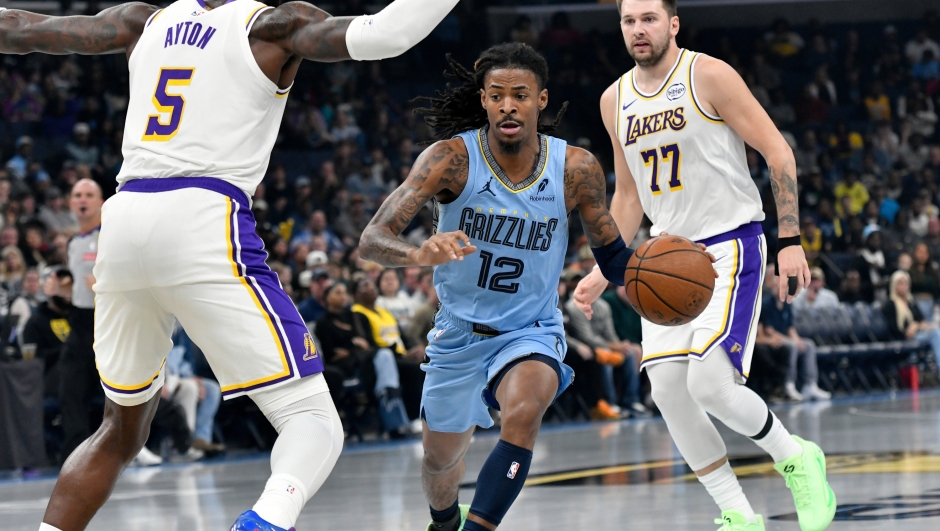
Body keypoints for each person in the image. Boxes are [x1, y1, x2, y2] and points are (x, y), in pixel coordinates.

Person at [0, 0, 461, 528]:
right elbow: (388, 34)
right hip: (202, 213)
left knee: (119, 430)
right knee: (313, 421)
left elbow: (21, 27)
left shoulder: (141, 21)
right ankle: (264, 521)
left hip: (123, 220)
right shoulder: (273, 25)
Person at [573, 2, 835, 530]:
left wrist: (789, 239)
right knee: (669, 391)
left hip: (730, 244)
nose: (638, 29)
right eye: (629, 21)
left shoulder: (708, 74)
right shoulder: (613, 99)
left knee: (710, 385)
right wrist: (608, 263)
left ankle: (797, 457)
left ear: (672, 24)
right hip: (663, 258)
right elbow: (628, 196)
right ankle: (738, 515)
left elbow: (778, 153)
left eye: (649, 18)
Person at [360, 42, 636, 531]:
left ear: (541, 100)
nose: (509, 105)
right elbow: (373, 239)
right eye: (498, 95)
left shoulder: (575, 168)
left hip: (532, 328)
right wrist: (418, 254)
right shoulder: (449, 160)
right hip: (459, 333)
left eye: (521, 95)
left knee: (525, 412)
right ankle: (444, 522)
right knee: (440, 465)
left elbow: (614, 256)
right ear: (484, 101)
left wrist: (662, 276)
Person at [58, 179, 103, 466]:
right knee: (70, 392)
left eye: (88, 195)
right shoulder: (74, 242)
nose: (82, 200)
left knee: (122, 392)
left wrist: (105, 284)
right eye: (77, 195)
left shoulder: (110, 237)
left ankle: (173, 421)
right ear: (70, 202)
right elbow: (76, 290)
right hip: (79, 322)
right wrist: (60, 292)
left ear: (100, 202)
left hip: (107, 322)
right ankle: (77, 459)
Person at [758, 265, 830, 402]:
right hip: (772, 339)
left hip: (783, 337)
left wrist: (797, 340)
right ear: (773, 286)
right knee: (791, 347)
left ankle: (810, 384)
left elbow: (790, 327)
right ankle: (788, 384)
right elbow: (769, 330)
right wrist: (792, 342)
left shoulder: (787, 303)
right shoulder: (767, 303)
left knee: (808, 345)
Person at [884, 270, 940, 371]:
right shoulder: (890, 304)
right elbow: (893, 328)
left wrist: (917, 326)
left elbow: (921, 320)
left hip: (917, 335)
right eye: (900, 283)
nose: (903, 286)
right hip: (903, 338)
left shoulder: (911, 302)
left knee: (935, 331)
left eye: (906, 283)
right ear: (894, 285)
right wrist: (912, 329)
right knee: (935, 334)